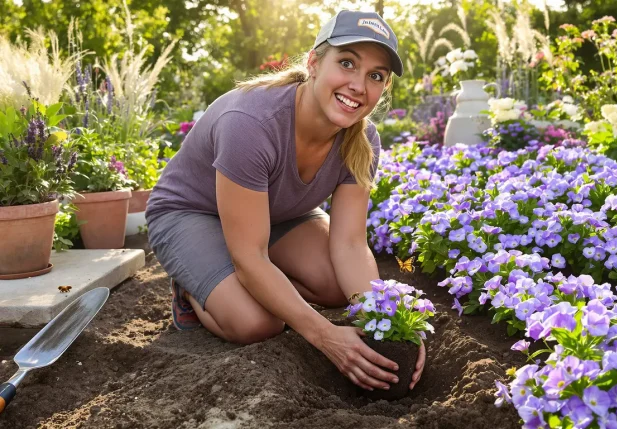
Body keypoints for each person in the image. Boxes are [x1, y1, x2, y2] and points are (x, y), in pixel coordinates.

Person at [144, 10, 425, 393]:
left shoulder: (363, 139)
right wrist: (325, 335)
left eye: (375, 76)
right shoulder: (251, 123)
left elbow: (350, 244)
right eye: (347, 63)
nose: (359, 86)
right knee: (258, 323)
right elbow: (251, 256)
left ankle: (246, 285)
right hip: (190, 213)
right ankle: (194, 289)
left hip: (277, 213)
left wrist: (392, 323)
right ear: (313, 63)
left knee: (334, 286)